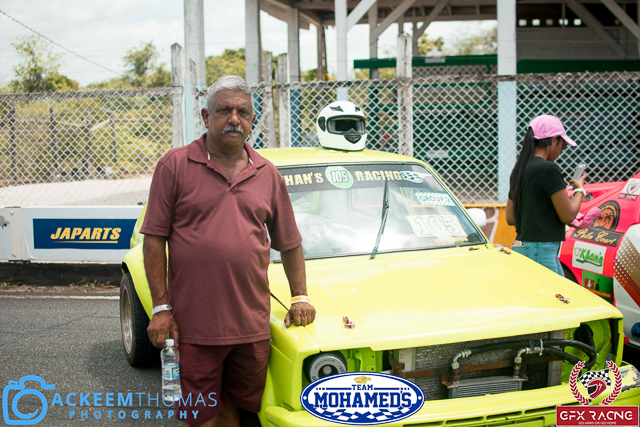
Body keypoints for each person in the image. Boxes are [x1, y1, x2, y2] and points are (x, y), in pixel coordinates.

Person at [140, 75, 316, 427]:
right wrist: (161, 308)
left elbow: (290, 242)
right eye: (224, 111)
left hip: (251, 327)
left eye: (243, 112)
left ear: (252, 119)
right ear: (206, 117)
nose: (234, 119)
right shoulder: (174, 166)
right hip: (193, 328)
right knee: (199, 415)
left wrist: (300, 297)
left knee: (235, 409)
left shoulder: (267, 174)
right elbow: (154, 239)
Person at [506, 114, 587, 276]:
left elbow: (510, 218)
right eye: (563, 145)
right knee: (555, 292)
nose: (561, 150)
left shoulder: (519, 169)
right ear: (554, 140)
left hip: (522, 247)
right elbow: (568, 216)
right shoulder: (549, 169)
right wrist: (579, 190)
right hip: (541, 250)